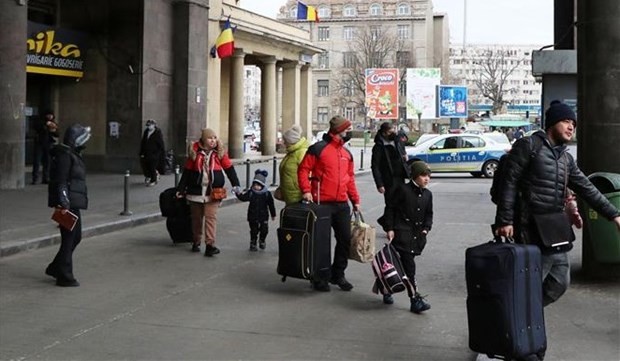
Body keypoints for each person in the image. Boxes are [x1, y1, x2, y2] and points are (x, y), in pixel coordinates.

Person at [495, 102, 620, 360]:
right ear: (553, 123)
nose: (571, 127)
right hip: (528, 229)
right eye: (567, 122)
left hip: (554, 229)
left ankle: (521, 317)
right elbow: (509, 183)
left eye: (574, 125)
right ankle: (522, 339)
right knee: (529, 285)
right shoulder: (528, 147)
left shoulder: (565, 158)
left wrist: (613, 213)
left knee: (560, 282)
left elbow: (587, 188)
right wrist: (504, 219)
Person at [298, 115, 361, 292]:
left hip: (341, 204)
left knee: (345, 240)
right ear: (339, 130)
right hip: (321, 203)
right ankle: (319, 277)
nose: (350, 131)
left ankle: (337, 274)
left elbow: (350, 179)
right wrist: (306, 190)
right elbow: (303, 169)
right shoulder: (318, 149)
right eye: (347, 129)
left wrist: (355, 200)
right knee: (321, 242)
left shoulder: (346, 153)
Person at [177, 128, 241, 256]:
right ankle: (196, 241)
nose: (213, 141)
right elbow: (187, 172)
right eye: (210, 138)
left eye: (215, 138)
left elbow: (229, 169)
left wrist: (236, 184)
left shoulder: (220, 153)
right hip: (195, 192)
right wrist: (180, 189)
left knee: (211, 218)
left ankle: (210, 245)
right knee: (196, 219)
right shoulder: (194, 153)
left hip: (213, 192)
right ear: (204, 139)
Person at [381, 161, 433, 313]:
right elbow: (390, 209)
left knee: (396, 266)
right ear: (415, 176)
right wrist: (390, 228)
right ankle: (415, 300)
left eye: (429, 176)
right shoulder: (402, 190)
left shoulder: (428, 194)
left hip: (417, 237)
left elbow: (429, 214)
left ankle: (385, 289)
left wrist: (426, 229)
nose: (427, 179)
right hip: (401, 234)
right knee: (408, 268)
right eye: (423, 175)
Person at [45, 124, 92, 287]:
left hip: (73, 201)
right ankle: (64, 274)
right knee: (69, 238)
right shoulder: (65, 155)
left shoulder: (73, 154)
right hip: (68, 203)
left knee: (75, 237)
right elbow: (61, 180)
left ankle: (55, 267)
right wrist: (63, 202)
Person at [235, 169, 276, 251]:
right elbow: (243, 198)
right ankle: (253, 242)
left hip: (263, 216)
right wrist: (238, 193)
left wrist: (273, 214)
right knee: (254, 230)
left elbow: (271, 205)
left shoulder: (266, 194)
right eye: (255, 185)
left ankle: (262, 240)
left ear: (262, 185)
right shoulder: (251, 193)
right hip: (252, 216)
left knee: (264, 229)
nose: (256, 187)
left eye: (258, 185)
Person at [371, 121, 410, 202]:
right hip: (388, 180)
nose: (393, 133)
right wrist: (379, 184)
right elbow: (375, 166)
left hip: (400, 177)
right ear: (384, 133)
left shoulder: (397, 141)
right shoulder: (379, 147)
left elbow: (403, 152)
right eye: (390, 132)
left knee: (402, 203)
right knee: (391, 204)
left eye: (393, 131)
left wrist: (404, 156)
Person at [278, 124, 309, 205]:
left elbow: (307, 174)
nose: (283, 143)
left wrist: (306, 191)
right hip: (290, 195)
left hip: (298, 196)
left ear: (290, 141)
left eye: (285, 141)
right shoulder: (291, 153)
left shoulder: (301, 152)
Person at [32, 110, 59, 185]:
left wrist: (53, 130)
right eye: (48, 115)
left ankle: (46, 177)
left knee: (47, 161)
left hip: (48, 143)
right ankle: (35, 178)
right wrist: (45, 125)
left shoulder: (53, 123)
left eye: (51, 115)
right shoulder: (40, 121)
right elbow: (36, 127)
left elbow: (57, 134)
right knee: (37, 161)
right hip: (39, 143)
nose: (50, 117)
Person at [139, 119, 165, 187]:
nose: (148, 127)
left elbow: (161, 144)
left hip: (154, 153)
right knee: (145, 165)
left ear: (154, 125)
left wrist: (158, 153)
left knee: (152, 166)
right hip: (146, 152)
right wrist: (141, 152)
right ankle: (149, 176)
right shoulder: (146, 132)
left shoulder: (157, 133)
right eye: (147, 125)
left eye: (150, 125)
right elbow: (143, 142)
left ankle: (153, 180)